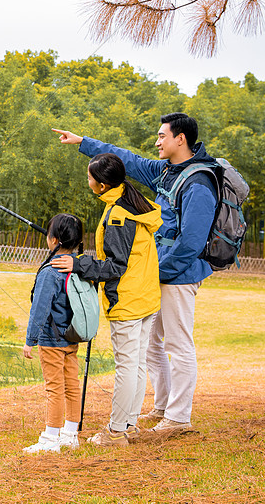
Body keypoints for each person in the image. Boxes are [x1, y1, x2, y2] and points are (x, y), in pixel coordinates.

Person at [51, 113, 218, 437]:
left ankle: (179, 418)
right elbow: (125, 160)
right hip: (151, 278)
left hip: (179, 274)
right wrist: (83, 143)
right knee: (150, 348)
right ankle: (162, 406)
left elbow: (191, 243)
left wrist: (157, 272)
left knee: (179, 345)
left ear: (179, 139)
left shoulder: (198, 183)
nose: (157, 142)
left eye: (161, 136)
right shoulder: (165, 171)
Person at [52, 153, 162, 447]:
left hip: (128, 300)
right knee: (136, 364)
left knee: (127, 366)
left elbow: (115, 266)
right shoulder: (133, 202)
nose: (87, 182)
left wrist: (78, 265)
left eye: (89, 178)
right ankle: (129, 425)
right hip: (147, 297)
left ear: (101, 184)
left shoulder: (118, 216)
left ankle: (115, 432)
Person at [22, 213, 85, 453]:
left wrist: (30, 340)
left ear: (53, 240)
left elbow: (39, 308)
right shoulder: (78, 266)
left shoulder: (50, 272)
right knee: (71, 385)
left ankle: (50, 439)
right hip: (72, 337)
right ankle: (70, 434)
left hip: (51, 340)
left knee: (54, 388)